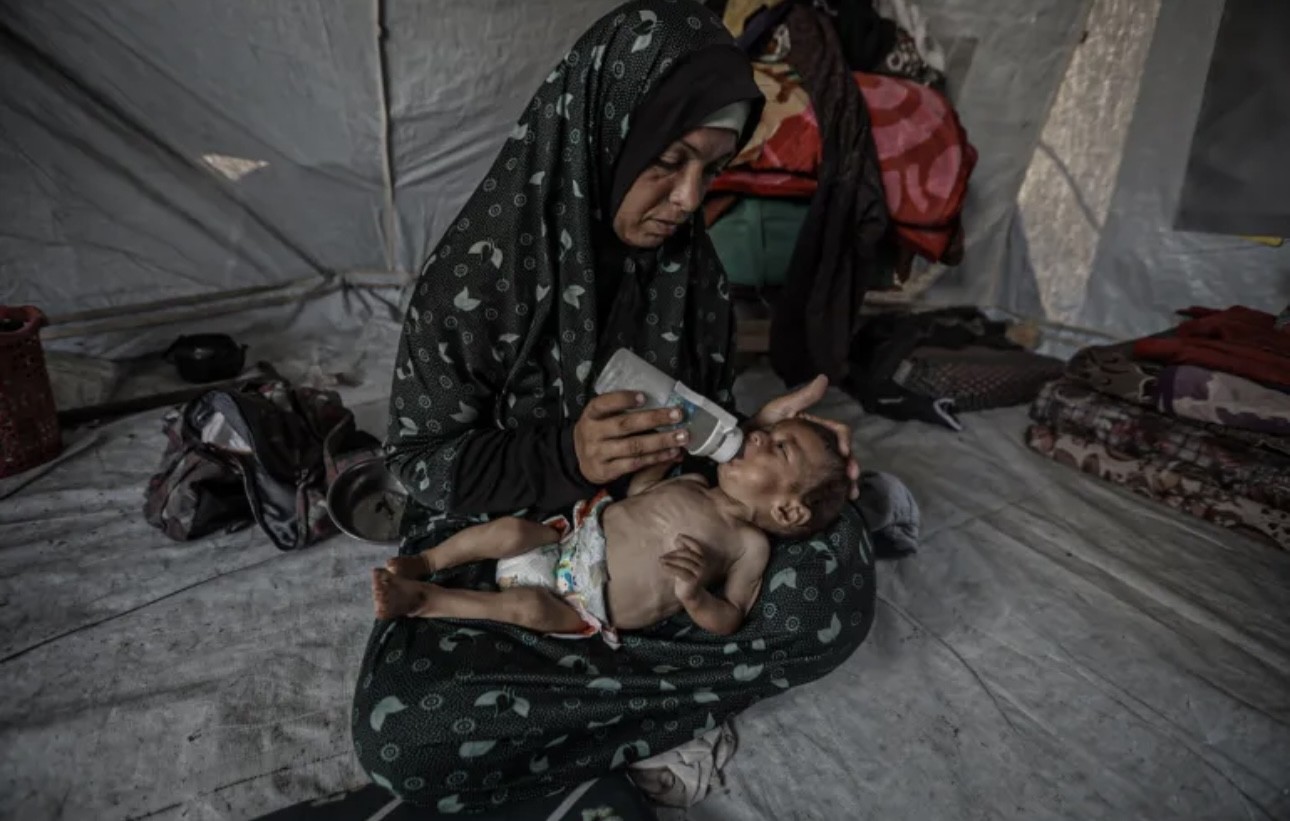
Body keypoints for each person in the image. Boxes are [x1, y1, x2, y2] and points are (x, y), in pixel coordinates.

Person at [352, 1, 877, 811]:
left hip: (662, 545)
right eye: (668, 161)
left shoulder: (692, 274)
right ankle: (659, 698)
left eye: (711, 170)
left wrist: (753, 436)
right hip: (516, 539)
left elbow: (697, 440)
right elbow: (420, 465)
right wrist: (565, 455)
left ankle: (585, 701)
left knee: (835, 578)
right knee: (405, 733)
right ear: (604, 135)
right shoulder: (477, 277)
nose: (689, 197)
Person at [371, 418, 851, 642]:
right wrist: (661, 458)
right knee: (511, 532)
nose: (760, 434)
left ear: (789, 512)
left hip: (582, 606)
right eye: (771, 432)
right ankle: (427, 561)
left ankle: (425, 601)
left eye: (781, 447)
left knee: (527, 609)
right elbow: (638, 494)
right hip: (564, 542)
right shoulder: (693, 482)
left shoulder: (749, 545)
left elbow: (731, 618)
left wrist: (694, 596)